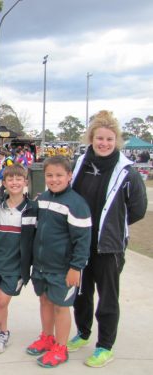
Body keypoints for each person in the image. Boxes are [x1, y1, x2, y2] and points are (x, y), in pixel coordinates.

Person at [68, 110, 147, 367]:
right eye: (99, 138)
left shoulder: (127, 172)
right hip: (81, 243)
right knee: (81, 293)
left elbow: (137, 209)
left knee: (107, 297)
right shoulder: (80, 163)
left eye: (109, 139)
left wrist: (112, 227)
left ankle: (105, 346)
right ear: (91, 138)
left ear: (117, 141)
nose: (103, 143)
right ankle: (83, 332)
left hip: (109, 247)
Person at [26, 156, 92, 368]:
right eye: (50, 175)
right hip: (41, 265)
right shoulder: (42, 198)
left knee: (61, 308)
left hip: (63, 269)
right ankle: (47, 337)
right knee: (44, 301)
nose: (54, 179)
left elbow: (83, 240)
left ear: (70, 176)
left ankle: (61, 348)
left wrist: (76, 268)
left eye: (59, 175)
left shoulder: (77, 204)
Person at [0, 164, 37, 354]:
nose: (14, 182)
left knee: (3, 301)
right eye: (10, 179)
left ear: (25, 182)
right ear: (4, 182)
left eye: (18, 179)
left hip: (16, 265)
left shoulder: (32, 208)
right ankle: (3, 333)